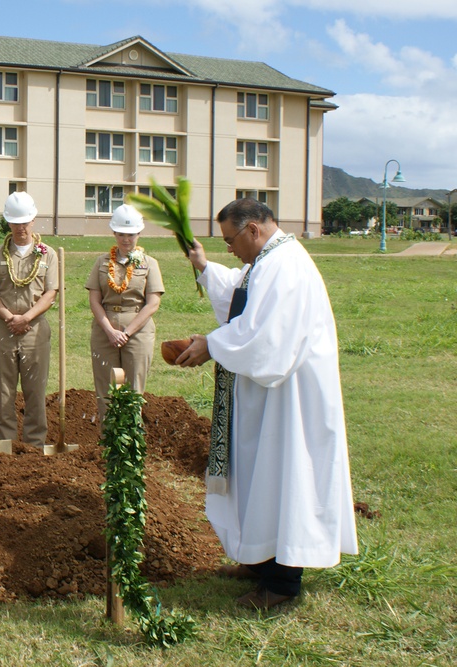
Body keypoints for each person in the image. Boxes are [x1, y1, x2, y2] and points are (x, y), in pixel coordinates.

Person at [175, 198, 358, 610]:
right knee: (259, 476)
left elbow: (266, 337)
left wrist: (211, 345)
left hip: (288, 400)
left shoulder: (285, 266)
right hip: (265, 396)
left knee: (281, 479)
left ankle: (281, 584)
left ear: (253, 229)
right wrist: (204, 268)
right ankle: (258, 560)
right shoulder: (267, 261)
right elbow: (242, 300)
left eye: (229, 240)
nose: (229, 249)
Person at [0, 192, 58, 447]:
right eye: (15, 222)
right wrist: (10, 317)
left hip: (35, 330)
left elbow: (50, 294)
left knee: (35, 390)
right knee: (3, 390)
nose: (21, 227)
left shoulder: (48, 255)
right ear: (7, 222)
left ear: (33, 220)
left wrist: (27, 318)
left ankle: (34, 444)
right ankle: (5, 443)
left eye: (25, 221)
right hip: (4, 328)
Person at [85, 203, 164, 427]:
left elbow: (152, 303)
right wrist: (110, 331)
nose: (126, 240)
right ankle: (109, 442)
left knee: (133, 389)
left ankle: (130, 445)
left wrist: (127, 332)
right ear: (114, 233)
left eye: (130, 235)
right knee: (106, 389)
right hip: (105, 330)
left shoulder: (150, 264)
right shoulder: (101, 262)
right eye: (121, 234)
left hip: (137, 331)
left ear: (139, 234)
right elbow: (94, 299)